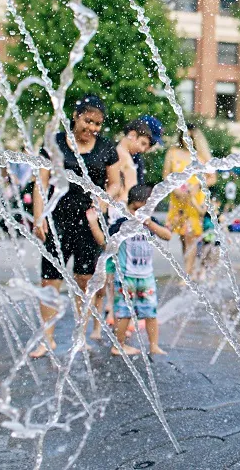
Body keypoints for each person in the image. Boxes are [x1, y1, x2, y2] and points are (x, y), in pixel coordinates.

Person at [30, 95, 121, 358]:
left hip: (89, 222)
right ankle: (47, 339)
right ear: (75, 116)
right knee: (50, 280)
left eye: (97, 123)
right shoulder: (55, 143)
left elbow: (115, 183)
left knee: (85, 279)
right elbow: (41, 181)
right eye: (87, 121)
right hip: (57, 219)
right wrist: (39, 216)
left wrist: (102, 201)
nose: (92, 127)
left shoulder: (106, 147)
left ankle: (80, 336)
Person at [86, 185, 172, 355]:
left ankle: (153, 346)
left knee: (151, 312)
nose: (138, 214)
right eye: (135, 209)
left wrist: (148, 222)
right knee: (123, 313)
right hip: (126, 277)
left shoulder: (151, 223)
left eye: (143, 210)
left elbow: (167, 235)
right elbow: (105, 244)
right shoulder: (122, 224)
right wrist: (93, 224)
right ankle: (119, 345)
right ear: (128, 206)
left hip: (146, 276)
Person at [90, 119, 156, 339]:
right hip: (117, 217)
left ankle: (114, 316)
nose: (143, 149)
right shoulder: (118, 155)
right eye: (143, 143)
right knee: (110, 270)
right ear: (132, 135)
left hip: (122, 215)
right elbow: (117, 187)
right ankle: (111, 316)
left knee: (115, 270)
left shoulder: (127, 156)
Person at [163, 123, 214, 276]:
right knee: (183, 237)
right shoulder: (173, 152)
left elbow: (212, 178)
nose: (188, 140)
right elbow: (166, 175)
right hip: (178, 200)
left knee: (190, 236)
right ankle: (189, 269)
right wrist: (175, 189)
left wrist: (198, 185)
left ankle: (187, 273)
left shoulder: (201, 156)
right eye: (186, 137)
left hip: (194, 201)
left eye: (191, 137)